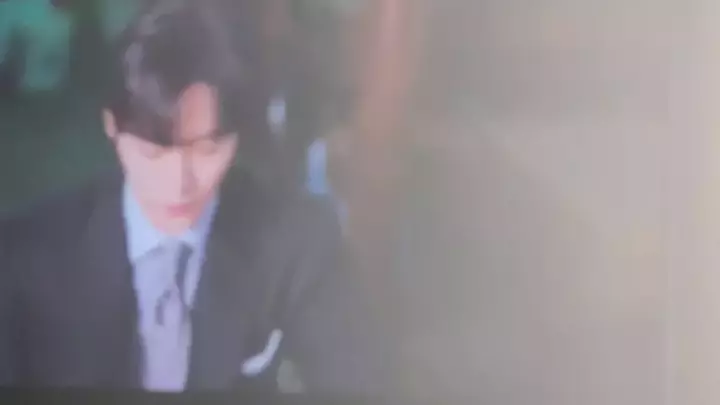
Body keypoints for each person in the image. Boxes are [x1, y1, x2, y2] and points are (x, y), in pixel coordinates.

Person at [0, 0, 388, 393]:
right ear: (111, 127)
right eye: (154, 153)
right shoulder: (26, 256)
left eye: (207, 150)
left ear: (237, 137)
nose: (180, 184)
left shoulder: (301, 243)